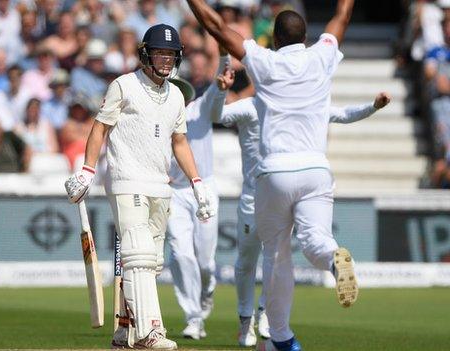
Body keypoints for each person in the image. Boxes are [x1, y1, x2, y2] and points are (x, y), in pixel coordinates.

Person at [184, 0, 356, 349]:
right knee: (315, 241)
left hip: (275, 171)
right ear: (305, 36)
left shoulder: (265, 60)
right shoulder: (322, 54)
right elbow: (341, 16)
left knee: (276, 257)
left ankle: (281, 338)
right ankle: (333, 260)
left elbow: (217, 27)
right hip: (316, 169)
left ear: (274, 39)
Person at [64, 24, 215, 350]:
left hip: (161, 185)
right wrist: (88, 172)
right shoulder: (124, 85)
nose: (166, 59)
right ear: (147, 54)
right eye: (160, 52)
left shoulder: (176, 94)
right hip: (126, 179)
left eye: (171, 54)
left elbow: (180, 143)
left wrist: (197, 182)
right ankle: (150, 333)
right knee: (139, 257)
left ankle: (124, 330)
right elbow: (99, 128)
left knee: (149, 264)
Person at [214, 92, 391, 347]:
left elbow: (341, 113)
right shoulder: (257, 105)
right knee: (297, 246)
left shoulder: (289, 102)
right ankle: (330, 260)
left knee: (270, 256)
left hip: (266, 186)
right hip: (294, 182)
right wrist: (373, 106)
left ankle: (265, 321)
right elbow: (343, 114)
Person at [166, 47, 233, 340]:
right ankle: (194, 317)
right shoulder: (158, 119)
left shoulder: (199, 110)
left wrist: (225, 61)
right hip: (173, 193)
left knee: (205, 263)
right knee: (181, 255)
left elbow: (217, 93)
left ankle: (207, 290)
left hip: (202, 189)